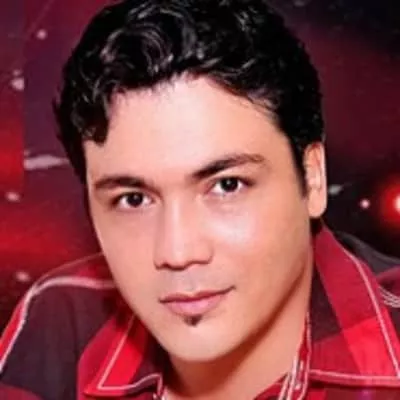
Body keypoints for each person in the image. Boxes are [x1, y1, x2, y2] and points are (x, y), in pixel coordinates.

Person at [1, 0, 399, 399]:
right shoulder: (60, 322)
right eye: (134, 199)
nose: (177, 251)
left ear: (312, 178)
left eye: (227, 186)